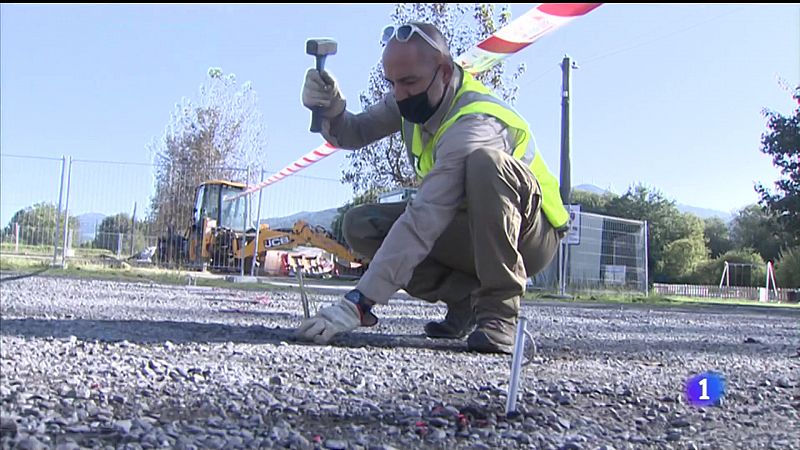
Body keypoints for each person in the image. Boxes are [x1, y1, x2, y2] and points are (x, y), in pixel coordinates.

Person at [295, 21, 569, 354]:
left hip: (529, 238)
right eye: (391, 83)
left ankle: (499, 316)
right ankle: (466, 299)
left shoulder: (475, 122)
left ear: (443, 72)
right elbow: (355, 131)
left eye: (408, 82)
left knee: (486, 164)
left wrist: (359, 301)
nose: (399, 94)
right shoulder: (411, 98)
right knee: (361, 225)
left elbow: (425, 218)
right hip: (469, 229)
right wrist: (331, 109)